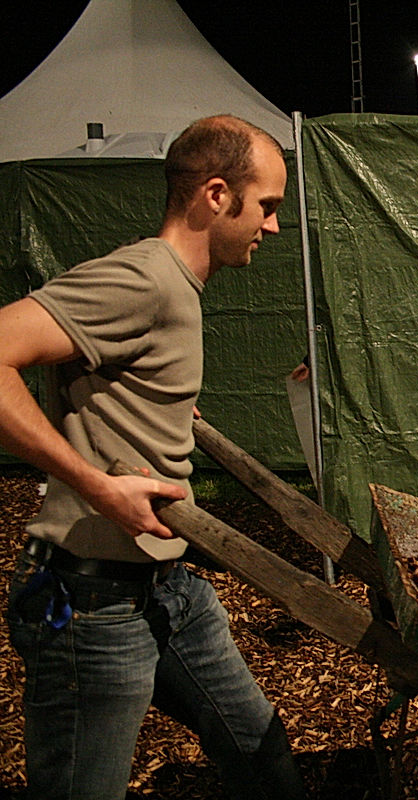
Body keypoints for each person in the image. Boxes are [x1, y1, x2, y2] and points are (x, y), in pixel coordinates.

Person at [0, 115, 306, 799]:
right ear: (216, 195)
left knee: (262, 757)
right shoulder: (144, 278)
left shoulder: (173, 286)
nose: (274, 226)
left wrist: (159, 408)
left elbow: (102, 371)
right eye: (266, 205)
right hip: (90, 604)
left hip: (169, 590)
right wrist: (93, 483)